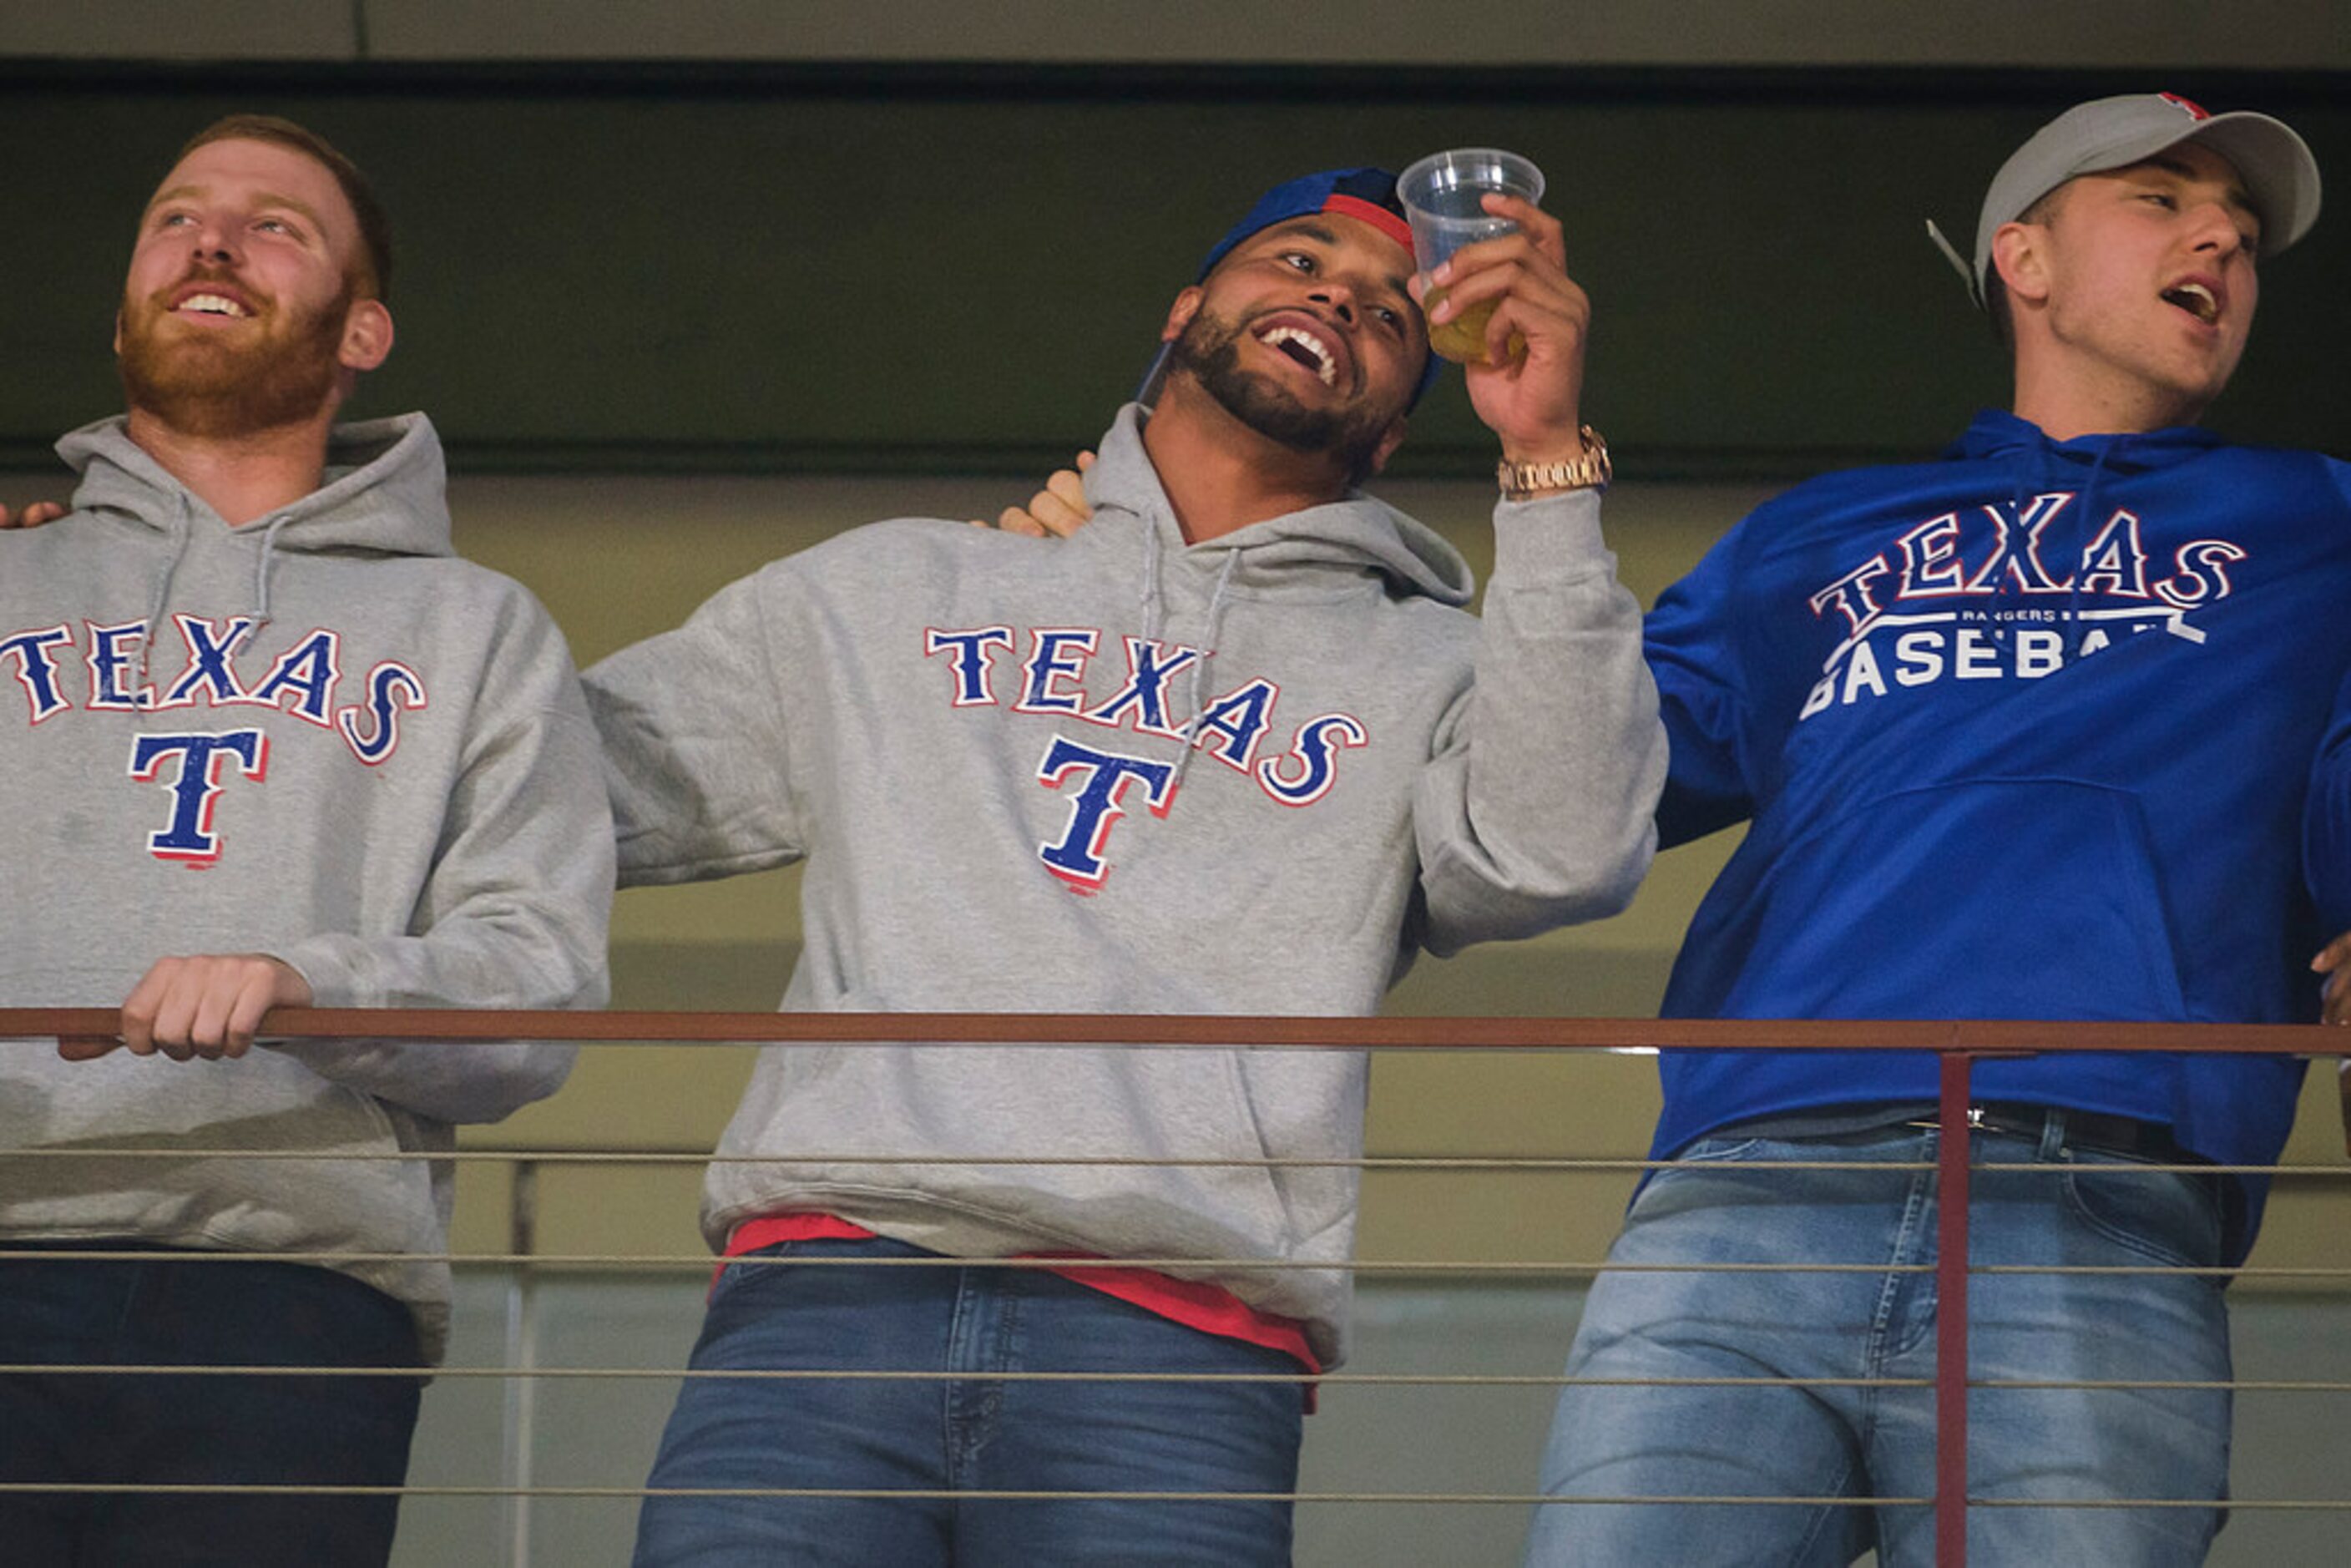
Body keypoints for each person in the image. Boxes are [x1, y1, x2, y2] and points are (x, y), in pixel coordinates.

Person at [584, 165, 1665, 1565]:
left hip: (1180, 1349)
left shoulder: (1445, 662)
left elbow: (1565, 852)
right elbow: (543, 784)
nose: (1338, 292)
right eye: (1296, 257)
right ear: (1183, 311)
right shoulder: (904, 586)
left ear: (1398, 430)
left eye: (1396, 311)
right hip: (829, 1300)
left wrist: (1546, 455)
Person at [1526, 92, 2351, 1566]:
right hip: (1749, 1187)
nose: (2222, 234)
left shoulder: (2322, 520)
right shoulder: (1817, 533)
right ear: (2023, 260)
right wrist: (1538, 463)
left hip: (2097, 1196)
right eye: (2163, 198)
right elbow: (1557, 792)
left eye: (2240, 227)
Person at [0, 116, 612, 1565]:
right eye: (177, 217)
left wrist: (308, 983)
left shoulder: (480, 627)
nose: (211, 239)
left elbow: (535, 986)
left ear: (364, 328)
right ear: (124, 307)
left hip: (294, 1295)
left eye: (275, 224)